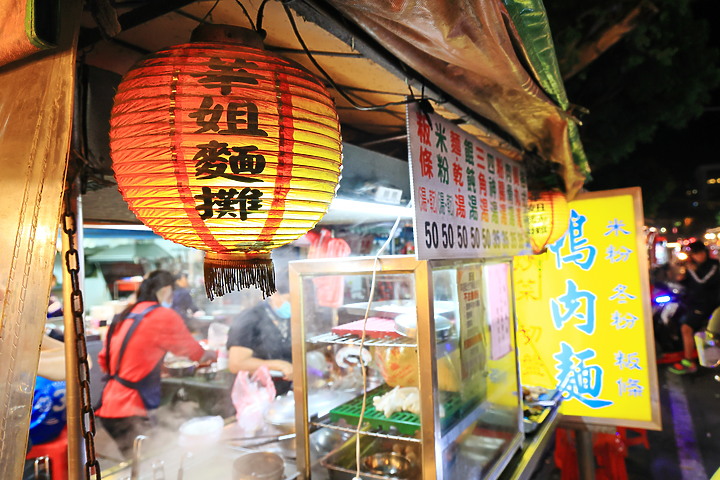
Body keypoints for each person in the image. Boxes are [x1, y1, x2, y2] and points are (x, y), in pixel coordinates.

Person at [95, 270, 216, 457]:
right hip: (131, 409)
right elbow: (194, 353)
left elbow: (105, 360)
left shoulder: (126, 313)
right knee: (149, 464)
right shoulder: (162, 316)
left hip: (108, 405)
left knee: (138, 462)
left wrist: (151, 368)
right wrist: (215, 354)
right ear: (167, 290)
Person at [227, 253, 295, 396]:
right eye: (290, 300)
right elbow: (236, 363)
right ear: (274, 294)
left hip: (283, 395)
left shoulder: (288, 319)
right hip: (255, 397)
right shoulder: (249, 319)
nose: (293, 306)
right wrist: (279, 365)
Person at [669, 241, 720, 375]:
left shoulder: (714, 265)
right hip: (693, 302)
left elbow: (702, 282)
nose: (697, 257)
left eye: (698, 253)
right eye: (694, 254)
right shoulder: (694, 266)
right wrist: (680, 273)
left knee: (686, 327)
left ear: (704, 253)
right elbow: (685, 281)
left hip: (708, 304)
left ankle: (688, 361)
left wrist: (691, 270)